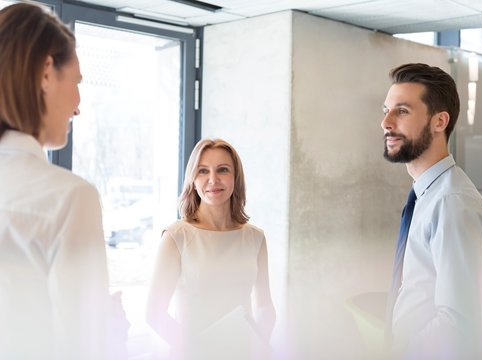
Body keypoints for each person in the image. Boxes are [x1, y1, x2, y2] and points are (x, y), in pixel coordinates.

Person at [0, 3, 127, 359]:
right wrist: (109, 332)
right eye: (76, 82)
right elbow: (83, 349)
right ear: (45, 72)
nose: (78, 105)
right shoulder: (69, 199)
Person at [381, 63, 482, 359]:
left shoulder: (452, 202)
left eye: (402, 111)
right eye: (386, 110)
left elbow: (459, 327)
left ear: (439, 121)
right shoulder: (427, 195)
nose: (386, 122)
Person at [146, 138, 276, 359]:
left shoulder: (255, 238)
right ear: (193, 180)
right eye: (203, 171)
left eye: (223, 170)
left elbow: (264, 306)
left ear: (236, 177)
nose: (213, 179)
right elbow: (154, 314)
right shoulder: (175, 237)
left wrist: (260, 342)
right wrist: (197, 350)